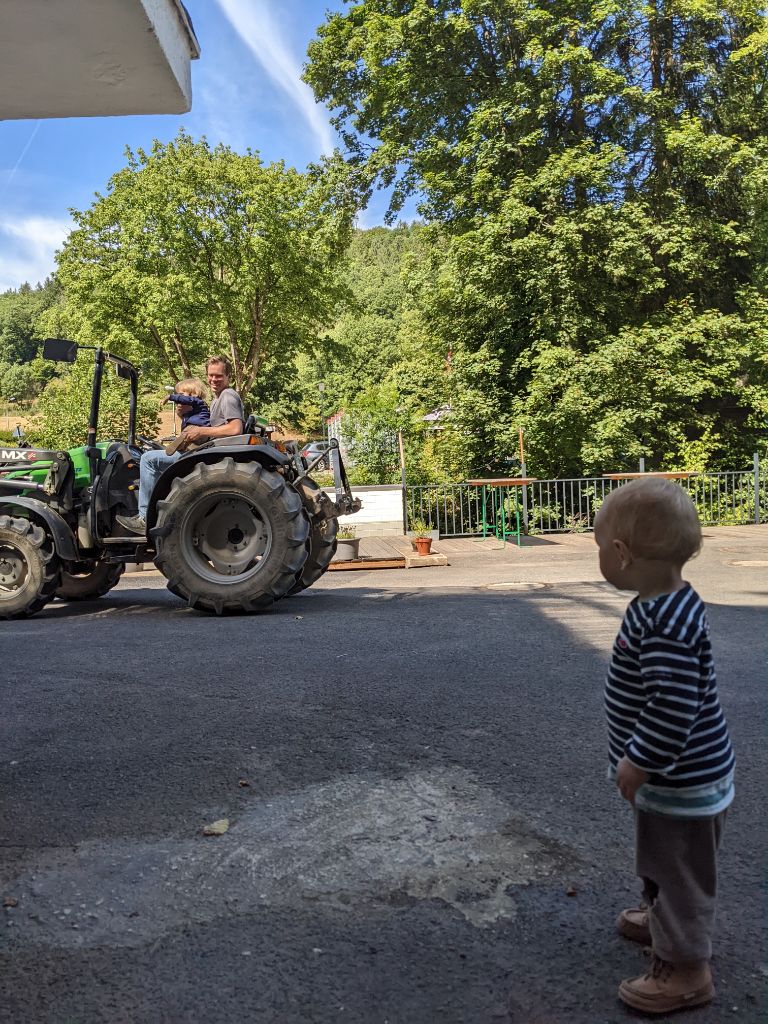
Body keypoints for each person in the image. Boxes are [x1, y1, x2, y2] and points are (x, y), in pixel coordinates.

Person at [593, 478, 735, 1015]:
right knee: (661, 857)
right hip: (677, 777)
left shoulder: (664, 623)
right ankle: (664, 922)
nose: (599, 557)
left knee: (679, 870)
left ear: (622, 554)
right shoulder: (666, 604)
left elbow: (674, 705)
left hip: (679, 776)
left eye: (599, 547)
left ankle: (686, 969)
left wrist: (639, 760)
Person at [117, 356, 244, 535]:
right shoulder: (216, 399)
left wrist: (201, 432)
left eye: (219, 376)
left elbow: (235, 428)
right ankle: (163, 513)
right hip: (206, 450)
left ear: (228, 376)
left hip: (208, 455)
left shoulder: (228, 396)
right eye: (210, 375)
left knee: (148, 460)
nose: (214, 379)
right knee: (158, 456)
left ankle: (144, 518)